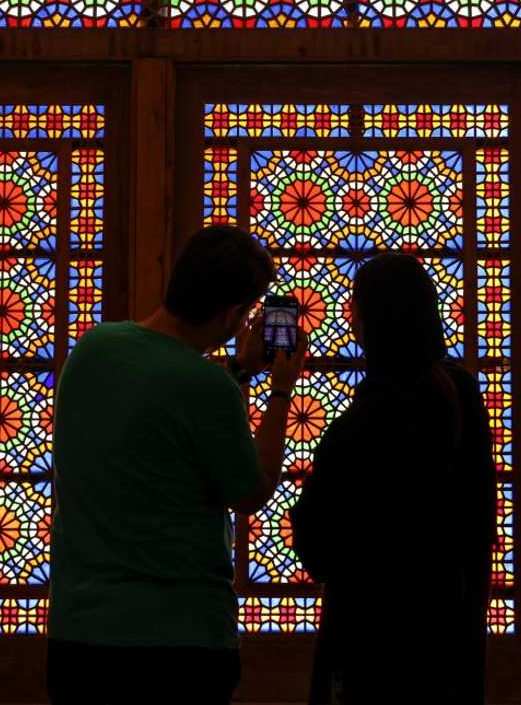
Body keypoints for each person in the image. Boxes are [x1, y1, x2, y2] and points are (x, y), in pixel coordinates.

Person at [47, 225, 306, 704]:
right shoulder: (206, 387)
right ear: (233, 313)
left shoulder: (91, 350)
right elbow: (252, 490)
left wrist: (239, 370)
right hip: (179, 643)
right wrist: (281, 390)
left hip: (79, 635)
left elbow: (164, 411)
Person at [291, 253, 495, 704]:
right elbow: (479, 520)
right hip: (447, 627)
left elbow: (317, 540)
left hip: (372, 639)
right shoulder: (458, 392)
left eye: (356, 311)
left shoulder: (369, 417)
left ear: (372, 321)